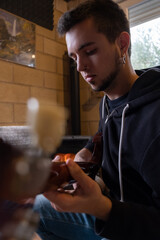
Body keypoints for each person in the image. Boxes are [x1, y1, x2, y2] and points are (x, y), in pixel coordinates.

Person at [33, 0, 160, 239]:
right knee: (37, 207)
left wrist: (101, 208)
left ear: (122, 44)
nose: (80, 66)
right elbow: (100, 139)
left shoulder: (154, 118)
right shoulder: (108, 102)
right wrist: (77, 159)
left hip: (136, 227)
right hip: (112, 215)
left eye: (90, 51)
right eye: (74, 58)